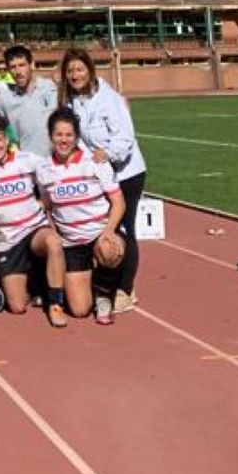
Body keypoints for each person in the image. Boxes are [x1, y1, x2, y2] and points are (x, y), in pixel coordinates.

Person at [59, 48, 146, 314]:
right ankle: (105, 285)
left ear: (90, 70)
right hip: (98, 176)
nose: (75, 75)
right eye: (71, 71)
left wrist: (107, 154)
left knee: (124, 229)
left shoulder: (109, 99)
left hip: (126, 173)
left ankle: (125, 289)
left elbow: (125, 137)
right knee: (103, 229)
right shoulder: (70, 102)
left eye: (80, 69)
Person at [0, 112, 69, 328]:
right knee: (17, 307)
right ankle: (24, 280)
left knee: (53, 242)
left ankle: (55, 303)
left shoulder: (27, 160)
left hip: (34, 230)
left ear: (7, 139)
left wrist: (44, 202)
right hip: (6, 240)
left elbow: (54, 168)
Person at [36, 107, 127, 324]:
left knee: (108, 250)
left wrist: (108, 232)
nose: (64, 140)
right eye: (58, 134)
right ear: (51, 137)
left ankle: (105, 296)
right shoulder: (44, 169)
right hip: (71, 243)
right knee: (79, 310)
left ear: (76, 137)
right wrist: (54, 234)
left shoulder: (95, 162)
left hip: (98, 233)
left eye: (69, 135)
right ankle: (90, 284)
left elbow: (118, 202)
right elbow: (47, 206)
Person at [0, 46, 56, 158]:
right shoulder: (5, 98)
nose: (18, 71)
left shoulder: (49, 88)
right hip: (25, 164)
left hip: (53, 162)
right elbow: (3, 132)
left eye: (22, 65)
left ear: (32, 65)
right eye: (13, 67)